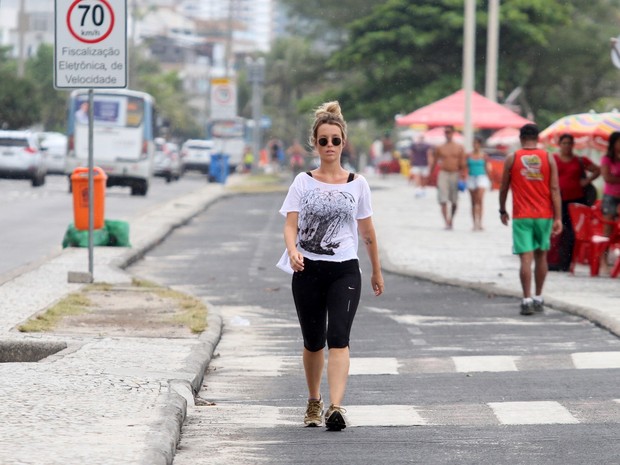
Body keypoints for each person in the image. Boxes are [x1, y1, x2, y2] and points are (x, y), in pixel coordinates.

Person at [279, 101, 384, 431]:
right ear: (315, 143)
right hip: (307, 269)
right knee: (313, 341)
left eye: (335, 140)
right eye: (323, 140)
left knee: (338, 336)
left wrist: (376, 271)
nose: (329, 146)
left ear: (343, 143)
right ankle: (314, 400)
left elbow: (367, 231)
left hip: (345, 270)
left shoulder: (358, 184)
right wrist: (292, 250)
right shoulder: (303, 182)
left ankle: (336, 407)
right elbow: (289, 224)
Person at [499, 124, 562, 315]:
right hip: (544, 215)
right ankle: (538, 297)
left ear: (521, 138)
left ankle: (526, 300)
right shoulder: (548, 158)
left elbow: (503, 188)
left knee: (525, 258)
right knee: (541, 256)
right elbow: (554, 189)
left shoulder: (513, 158)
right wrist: (558, 217)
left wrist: (502, 210)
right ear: (537, 138)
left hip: (522, 215)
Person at [550, 133, 600, 271]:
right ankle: (553, 261)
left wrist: (587, 181)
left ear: (573, 145)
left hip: (576, 202)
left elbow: (597, 170)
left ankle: (566, 263)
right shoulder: (553, 159)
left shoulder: (580, 160)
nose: (566, 146)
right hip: (558, 201)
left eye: (569, 143)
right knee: (556, 231)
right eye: (564, 143)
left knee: (572, 233)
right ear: (559, 145)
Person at [429, 125, 466, 229]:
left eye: (449, 132)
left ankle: (451, 219)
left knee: (454, 201)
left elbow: (463, 163)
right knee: (443, 199)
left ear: (453, 132)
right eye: (445, 132)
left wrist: (463, 176)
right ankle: (446, 221)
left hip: (455, 173)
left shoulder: (459, 147)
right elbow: (434, 162)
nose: (447, 134)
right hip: (443, 173)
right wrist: (430, 175)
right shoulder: (440, 147)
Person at [599, 131, 620, 273]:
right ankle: (603, 261)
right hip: (610, 197)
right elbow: (607, 177)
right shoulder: (607, 159)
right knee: (607, 231)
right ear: (613, 144)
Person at [466, 136, 491, 231]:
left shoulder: (484, 156)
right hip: (471, 177)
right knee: (473, 202)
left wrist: (490, 180)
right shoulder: (468, 155)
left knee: (479, 200)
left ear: (480, 144)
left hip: (481, 177)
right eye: (474, 143)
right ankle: (474, 223)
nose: (475, 145)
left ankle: (480, 222)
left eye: (476, 143)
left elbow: (487, 168)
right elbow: (465, 167)